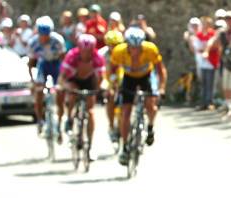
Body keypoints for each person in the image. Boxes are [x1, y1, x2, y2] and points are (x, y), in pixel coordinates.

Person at [110, 27, 167, 165]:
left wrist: (161, 88)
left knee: (150, 105)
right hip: (128, 78)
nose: (135, 51)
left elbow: (160, 70)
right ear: (127, 45)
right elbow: (112, 69)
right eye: (132, 47)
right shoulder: (119, 51)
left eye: (138, 47)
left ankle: (150, 128)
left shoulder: (150, 49)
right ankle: (125, 147)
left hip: (146, 77)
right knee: (126, 112)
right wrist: (114, 84)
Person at [59, 34, 105, 158]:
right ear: (79, 48)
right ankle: (69, 118)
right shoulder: (71, 56)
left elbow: (100, 78)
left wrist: (98, 90)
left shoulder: (98, 57)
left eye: (89, 51)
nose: (85, 54)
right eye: (83, 51)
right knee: (73, 94)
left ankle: (89, 144)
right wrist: (66, 87)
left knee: (90, 112)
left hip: (89, 81)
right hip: (74, 80)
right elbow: (62, 78)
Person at [27, 16, 66, 140]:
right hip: (42, 65)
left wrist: (62, 79)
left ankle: (59, 124)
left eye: (47, 35)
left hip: (56, 64)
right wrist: (33, 81)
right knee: (39, 93)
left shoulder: (58, 40)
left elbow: (64, 61)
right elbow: (31, 63)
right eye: (41, 35)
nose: (44, 38)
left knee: (60, 93)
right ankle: (40, 120)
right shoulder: (33, 43)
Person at [100, 29, 125, 145]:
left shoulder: (124, 51)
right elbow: (102, 73)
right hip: (108, 76)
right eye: (112, 45)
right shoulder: (102, 54)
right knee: (109, 96)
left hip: (121, 75)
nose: (114, 48)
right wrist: (106, 86)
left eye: (117, 45)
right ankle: (111, 125)